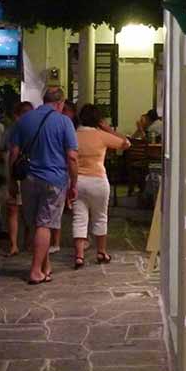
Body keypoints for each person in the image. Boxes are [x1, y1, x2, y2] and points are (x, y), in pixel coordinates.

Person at [8, 86, 77, 285]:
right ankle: (36, 270)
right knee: (45, 225)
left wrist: (12, 181)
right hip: (54, 179)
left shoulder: (25, 120)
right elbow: (72, 157)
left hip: (28, 179)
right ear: (60, 103)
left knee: (36, 224)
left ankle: (45, 266)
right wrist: (74, 183)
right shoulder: (64, 122)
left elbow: (13, 154)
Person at [72, 105, 129, 268]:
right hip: (98, 180)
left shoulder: (73, 135)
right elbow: (126, 144)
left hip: (78, 180)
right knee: (100, 216)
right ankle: (101, 252)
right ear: (98, 119)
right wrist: (108, 129)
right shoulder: (101, 135)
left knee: (79, 217)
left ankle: (79, 255)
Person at [3, 99, 33, 256]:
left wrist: (11, 177)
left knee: (14, 210)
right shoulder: (34, 127)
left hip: (19, 169)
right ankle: (27, 242)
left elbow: (12, 152)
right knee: (28, 209)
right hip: (31, 170)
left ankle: (14, 244)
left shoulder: (15, 129)